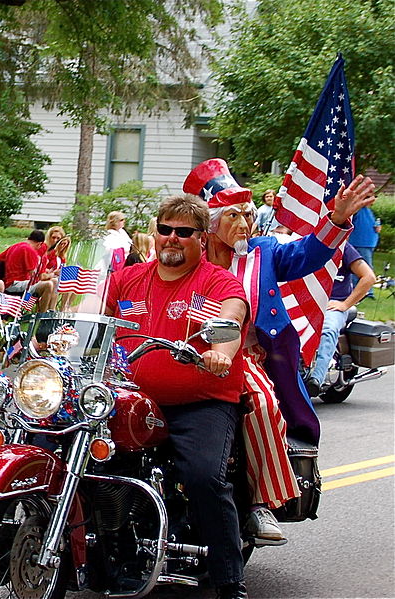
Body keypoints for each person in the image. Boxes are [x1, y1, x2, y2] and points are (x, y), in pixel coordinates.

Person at [183, 158, 376, 544]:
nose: (244, 223)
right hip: (183, 353)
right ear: (211, 224)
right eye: (233, 215)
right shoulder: (191, 257)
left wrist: (336, 220)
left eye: (247, 214)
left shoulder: (264, 252)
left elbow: (308, 254)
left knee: (262, 404)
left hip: (246, 356)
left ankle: (261, 504)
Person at [105, 194, 250, 599]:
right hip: (129, 399)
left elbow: (231, 317)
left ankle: (228, 581)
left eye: (183, 232)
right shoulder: (128, 278)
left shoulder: (217, 282)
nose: (172, 238)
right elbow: (92, 310)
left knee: (204, 477)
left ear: (201, 239)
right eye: (165, 229)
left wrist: (219, 354)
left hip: (201, 401)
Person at [305, 243, 376, 397]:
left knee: (327, 329)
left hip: (333, 306)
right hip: (308, 304)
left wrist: (345, 304)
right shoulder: (306, 243)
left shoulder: (344, 248)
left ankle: (316, 378)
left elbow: (369, 277)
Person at [0, 229, 57, 312]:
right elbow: (34, 275)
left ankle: (50, 310)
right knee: (49, 284)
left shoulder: (16, 245)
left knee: (53, 282)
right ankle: (41, 315)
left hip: (7, 282)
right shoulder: (30, 250)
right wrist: (50, 275)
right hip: (16, 284)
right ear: (40, 244)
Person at [349, 206, 381, 299]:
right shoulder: (358, 209)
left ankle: (365, 291)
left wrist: (377, 228)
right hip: (360, 243)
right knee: (363, 268)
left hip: (369, 244)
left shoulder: (369, 211)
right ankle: (363, 291)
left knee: (366, 267)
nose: (373, 199)